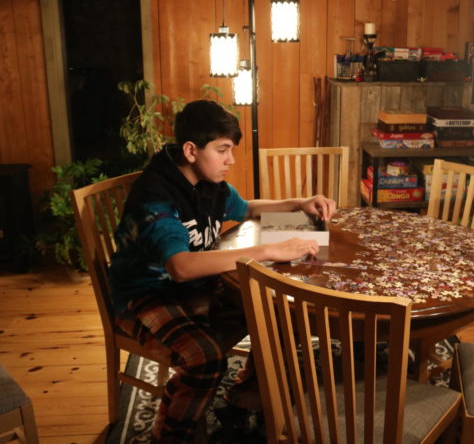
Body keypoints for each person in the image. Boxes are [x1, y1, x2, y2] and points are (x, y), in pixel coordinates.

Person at [109, 99, 336, 443]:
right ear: (190, 150)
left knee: (273, 312)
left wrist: (299, 203)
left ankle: (243, 398)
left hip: (193, 289)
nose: (231, 160)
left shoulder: (209, 184)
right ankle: (171, 435)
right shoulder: (156, 197)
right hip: (143, 297)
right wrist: (268, 250)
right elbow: (181, 267)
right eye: (223, 150)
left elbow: (247, 209)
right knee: (206, 359)